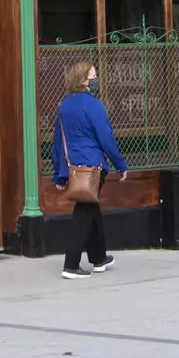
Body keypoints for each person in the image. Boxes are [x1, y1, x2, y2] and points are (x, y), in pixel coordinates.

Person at [52, 60, 128, 279]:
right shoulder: (94, 105)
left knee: (91, 209)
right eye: (93, 76)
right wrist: (120, 164)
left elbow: (59, 140)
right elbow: (106, 139)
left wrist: (59, 173)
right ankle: (71, 265)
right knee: (84, 213)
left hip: (74, 167)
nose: (96, 80)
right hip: (93, 168)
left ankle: (99, 258)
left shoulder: (64, 105)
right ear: (84, 80)